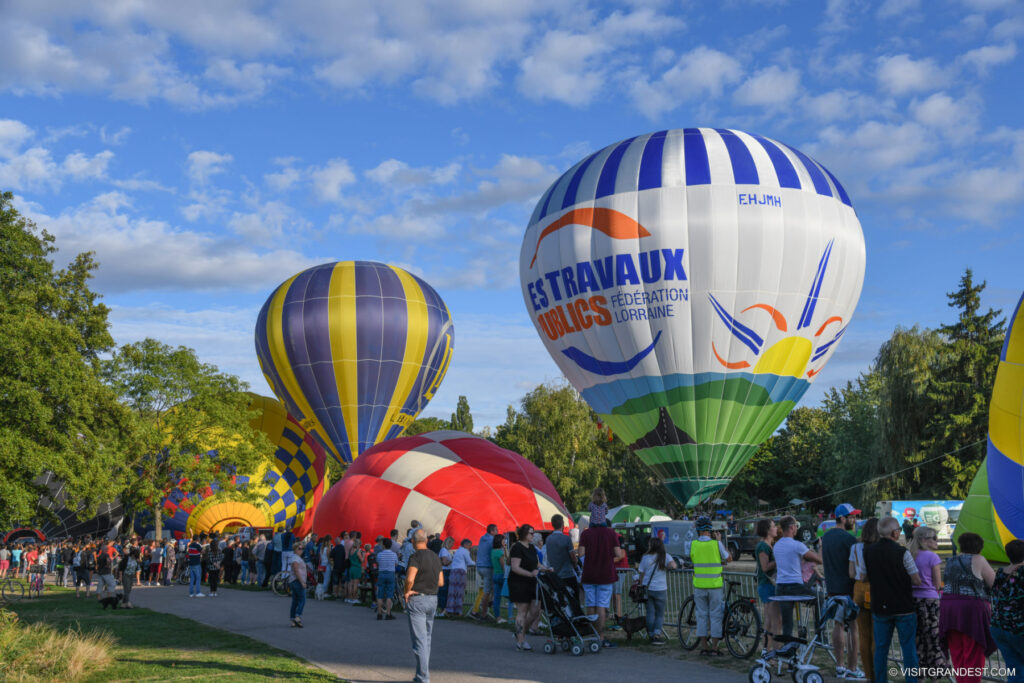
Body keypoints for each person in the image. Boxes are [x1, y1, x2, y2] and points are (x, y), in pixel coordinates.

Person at [864, 516, 921, 683]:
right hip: (904, 607)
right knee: (908, 650)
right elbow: (915, 579)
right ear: (894, 533)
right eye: (899, 530)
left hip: (880, 606)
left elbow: (865, 575)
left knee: (881, 649)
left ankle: (880, 680)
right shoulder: (902, 552)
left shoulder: (868, 551)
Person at [938, 532, 995, 683]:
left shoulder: (950, 561)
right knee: (973, 653)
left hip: (949, 609)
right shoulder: (979, 559)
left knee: (957, 652)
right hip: (971, 610)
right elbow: (994, 583)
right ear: (980, 547)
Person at [823, 504, 863, 679]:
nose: (854, 520)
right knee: (853, 627)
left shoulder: (826, 537)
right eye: (851, 517)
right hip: (848, 589)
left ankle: (839, 666)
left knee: (838, 625)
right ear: (842, 518)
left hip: (832, 588)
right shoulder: (849, 539)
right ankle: (852, 668)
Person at [579, 512, 625, 649]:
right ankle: (600, 636)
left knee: (590, 605)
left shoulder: (586, 534)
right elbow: (618, 553)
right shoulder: (610, 533)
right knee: (601, 606)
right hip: (605, 574)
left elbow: (581, 553)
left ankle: (591, 634)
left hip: (589, 573)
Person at [908, 525, 947, 678]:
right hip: (930, 601)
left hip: (913, 600)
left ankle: (920, 677)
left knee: (918, 641)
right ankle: (935, 677)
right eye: (934, 538)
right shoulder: (932, 557)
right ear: (924, 540)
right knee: (933, 641)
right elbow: (937, 584)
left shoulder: (909, 555)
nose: (937, 541)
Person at [688, 516, 731, 655]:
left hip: (699, 586)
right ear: (710, 530)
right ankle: (714, 648)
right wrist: (719, 541)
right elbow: (728, 558)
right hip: (715, 586)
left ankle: (704, 647)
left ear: (698, 530)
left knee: (701, 616)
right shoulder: (715, 544)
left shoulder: (693, 544)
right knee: (715, 616)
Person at [405, 529, 443, 683]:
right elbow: (441, 582)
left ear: (413, 542)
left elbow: (409, 578)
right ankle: (422, 674)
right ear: (426, 540)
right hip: (432, 599)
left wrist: (407, 592)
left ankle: (423, 677)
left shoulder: (415, 557)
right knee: (426, 639)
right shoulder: (435, 556)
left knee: (419, 641)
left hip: (418, 599)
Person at [773, 515, 820, 638]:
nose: (797, 529)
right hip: (794, 586)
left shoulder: (777, 546)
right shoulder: (796, 545)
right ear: (792, 527)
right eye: (796, 526)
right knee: (819, 599)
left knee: (787, 624)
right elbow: (818, 560)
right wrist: (820, 547)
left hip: (780, 587)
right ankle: (820, 633)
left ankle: (789, 652)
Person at [849, 517, 880, 682]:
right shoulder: (879, 548)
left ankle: (868, 675)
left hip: (859, 589)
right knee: (877, 635)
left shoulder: (855, 547)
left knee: (863, 634)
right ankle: (877, 673)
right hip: (875, 590)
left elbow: (851, 574)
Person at [990, 539, 1024, 683]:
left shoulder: (1001, 572)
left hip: (999, 626)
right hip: (1018, 628)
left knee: (1014, 669)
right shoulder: (1021, 573)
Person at [509, 524, 544, 651]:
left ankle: (520, 632)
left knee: (535, 610)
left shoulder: (532, 548)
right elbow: (515, 567)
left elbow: (537, 563)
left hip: (532, 582)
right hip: (519, 582)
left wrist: (545, 568)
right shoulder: (517, 547)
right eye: (531, 533)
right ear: (524, 534)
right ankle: (521, 640)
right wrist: (530, 573)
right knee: (522, 611)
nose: (533, 535)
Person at [637, 536, 677, 645]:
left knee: (650, 612)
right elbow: (673, 565)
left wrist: (640, 584)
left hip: (647, 588)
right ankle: (657, 634)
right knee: (660, 613)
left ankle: (650, 634)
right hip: (660, 588)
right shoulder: (665, 556)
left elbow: (641, 573)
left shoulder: (645, 557)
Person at [755, 518, 780, 651]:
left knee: (771, 621)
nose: (776, 528)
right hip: (767, 585)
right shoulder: (763, 546)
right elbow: (765, 567)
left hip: (770, 585)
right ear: (767, 530)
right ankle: (770, 651)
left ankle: (767, 651)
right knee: (772, 622)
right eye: (774, 526)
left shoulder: (770, 545)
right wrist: (779, 560)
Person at [545, 514, 579, 599]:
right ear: (563, 524)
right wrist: (575, 566)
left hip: (555, 575)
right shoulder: (566, 539)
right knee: (574, 599)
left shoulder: (548, 539)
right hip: (567, 574)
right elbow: (573, 558)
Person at [471, 524, 498, 620]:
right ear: (492, 531)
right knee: (487, 590)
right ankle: (484, 613)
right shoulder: (492, 540)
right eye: (496, 530)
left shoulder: (482, 538)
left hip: (479, 567)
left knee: (489, 588)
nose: (497, 532)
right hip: (487, 567)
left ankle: (488, 603)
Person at [445, 539, 472, 617]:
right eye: (470, 545)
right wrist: (477, 563)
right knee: (460, 592)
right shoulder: (465, 551)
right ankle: (458, 611)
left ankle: (450, 609)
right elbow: (469, 562)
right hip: (461, 571)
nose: (470, 547)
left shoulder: (457, 551)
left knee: (452, 591)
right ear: (465, 545)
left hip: (453, 571)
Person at [375, 538, 399, 620]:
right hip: (390, 574)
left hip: (381, 573)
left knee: (380, 594)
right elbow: (396, 564)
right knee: (389, 595)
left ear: (384, 545)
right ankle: (388, 614)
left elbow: (378, 562)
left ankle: (379, 614)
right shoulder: (394, 554)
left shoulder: (379, 554)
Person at [288, 541, 307, 627]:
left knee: (295, 601)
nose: (301, 550)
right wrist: (302, 582)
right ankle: (297, 616)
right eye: (299, 548)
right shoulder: (295, 558)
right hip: (297, 581)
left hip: (294, 581)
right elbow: (296, 571)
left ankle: (293, 620)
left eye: (302, 549)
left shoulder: (296, 558)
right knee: (302, 600)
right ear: (295, 549)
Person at [436, 537, 453, 617]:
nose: (452, 545)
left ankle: (443, 609)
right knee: (443, 591)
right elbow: (444, 562)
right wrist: (453, 560)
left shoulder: (445, 551)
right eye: (451, 544)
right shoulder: (444, 551)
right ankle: (442, 609)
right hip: (444, 571)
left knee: (444, 591)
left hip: (445, 571)